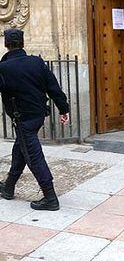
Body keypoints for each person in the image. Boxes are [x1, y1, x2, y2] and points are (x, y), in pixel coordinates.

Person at [0, 29, 69, 211]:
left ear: (6, 45)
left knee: (33, 156)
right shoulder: (36, 62)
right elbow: (54, 87)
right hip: (38, 116)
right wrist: (64, 109)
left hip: (23, 120)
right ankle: (8, 187)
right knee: (20, 150)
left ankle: (50, 197)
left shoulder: (4, 68)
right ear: (23, 43)